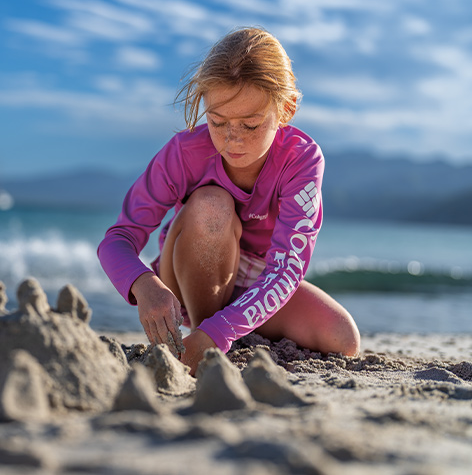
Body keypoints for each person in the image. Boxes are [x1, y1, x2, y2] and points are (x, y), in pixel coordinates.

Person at [98, 27, 360, 374]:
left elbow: (285, 270)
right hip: (188, 273)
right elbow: (117, 240)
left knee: (343, 338)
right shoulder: (186, 153)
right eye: (218, 121)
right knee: (211, 206)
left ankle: (222, 334)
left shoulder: (301, 160)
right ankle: (204, 336)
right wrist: (143, 284)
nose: (232, 139)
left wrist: (219, 332)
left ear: (287, 109)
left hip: (255, 283)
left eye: (250, 125)